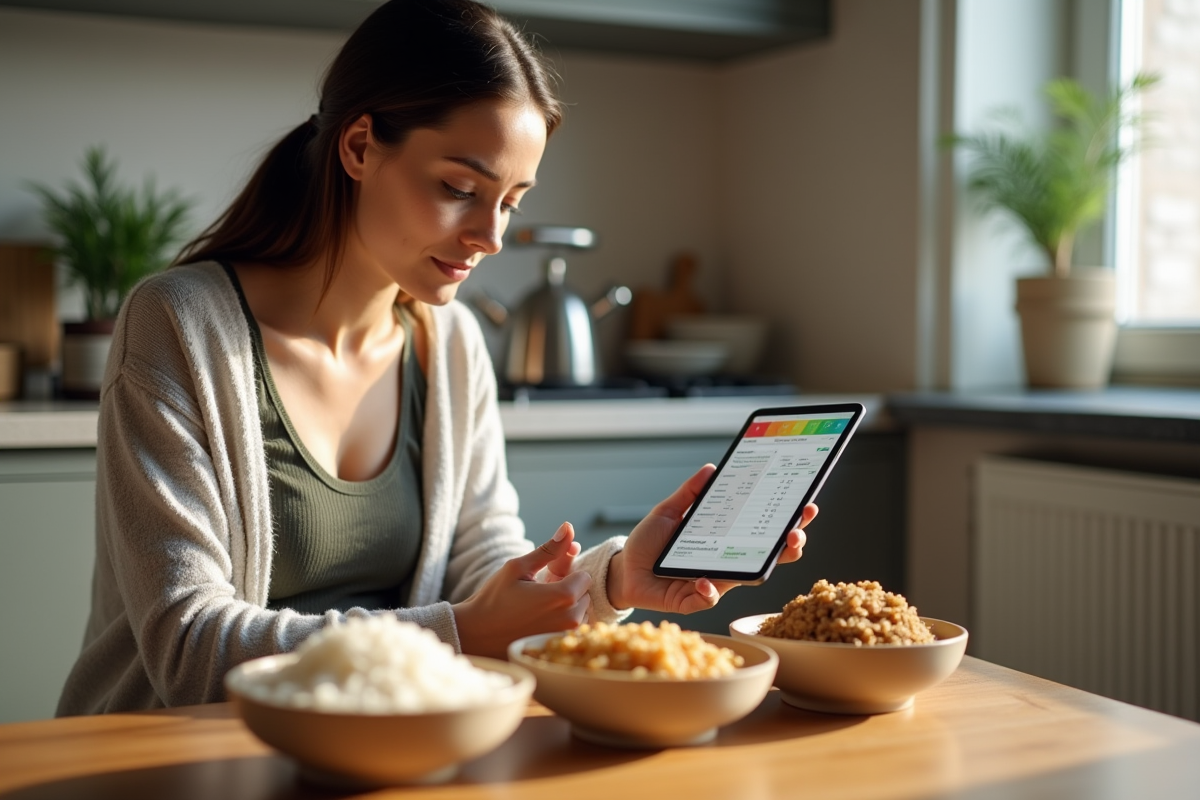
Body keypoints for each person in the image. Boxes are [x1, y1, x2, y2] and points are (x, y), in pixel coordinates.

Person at [56, 0, 815, 716]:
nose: (491, 235)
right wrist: (458, 633)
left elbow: (482, 570)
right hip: (171, 762)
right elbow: (189, 653)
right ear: (358, 147)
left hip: (393, 750)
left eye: (512, 200)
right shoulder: (179, 325)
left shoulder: (447, 342)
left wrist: (612, 579)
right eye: (460, 187)